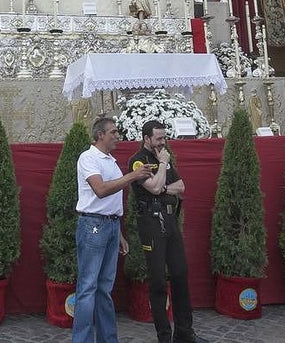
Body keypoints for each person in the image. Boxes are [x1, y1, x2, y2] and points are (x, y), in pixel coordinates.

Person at [73, 116, 152, 343]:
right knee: (88, 287)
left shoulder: (110, 160)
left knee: (104, 288)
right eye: (114, 132)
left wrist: (118, 233)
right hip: (93, 226)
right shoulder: (88, 158)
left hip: (109, 225)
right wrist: (133, 176)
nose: (118, 136)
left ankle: (108, 339)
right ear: (100, 135)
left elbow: (111, 202)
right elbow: (100, 190)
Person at [128, 120, 204, 343]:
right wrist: (161, 167)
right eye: (159, 138)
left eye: (164, 138)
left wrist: (162, 185)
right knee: (158, 280)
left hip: (170, 219)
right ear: (147, 138)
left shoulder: (166, 158)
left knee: (180, 274)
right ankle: (164, 336)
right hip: (151, 222)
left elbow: (180, 187)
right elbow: (151, 187)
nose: (163, 142)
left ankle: (184, 332)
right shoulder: (138, 161)